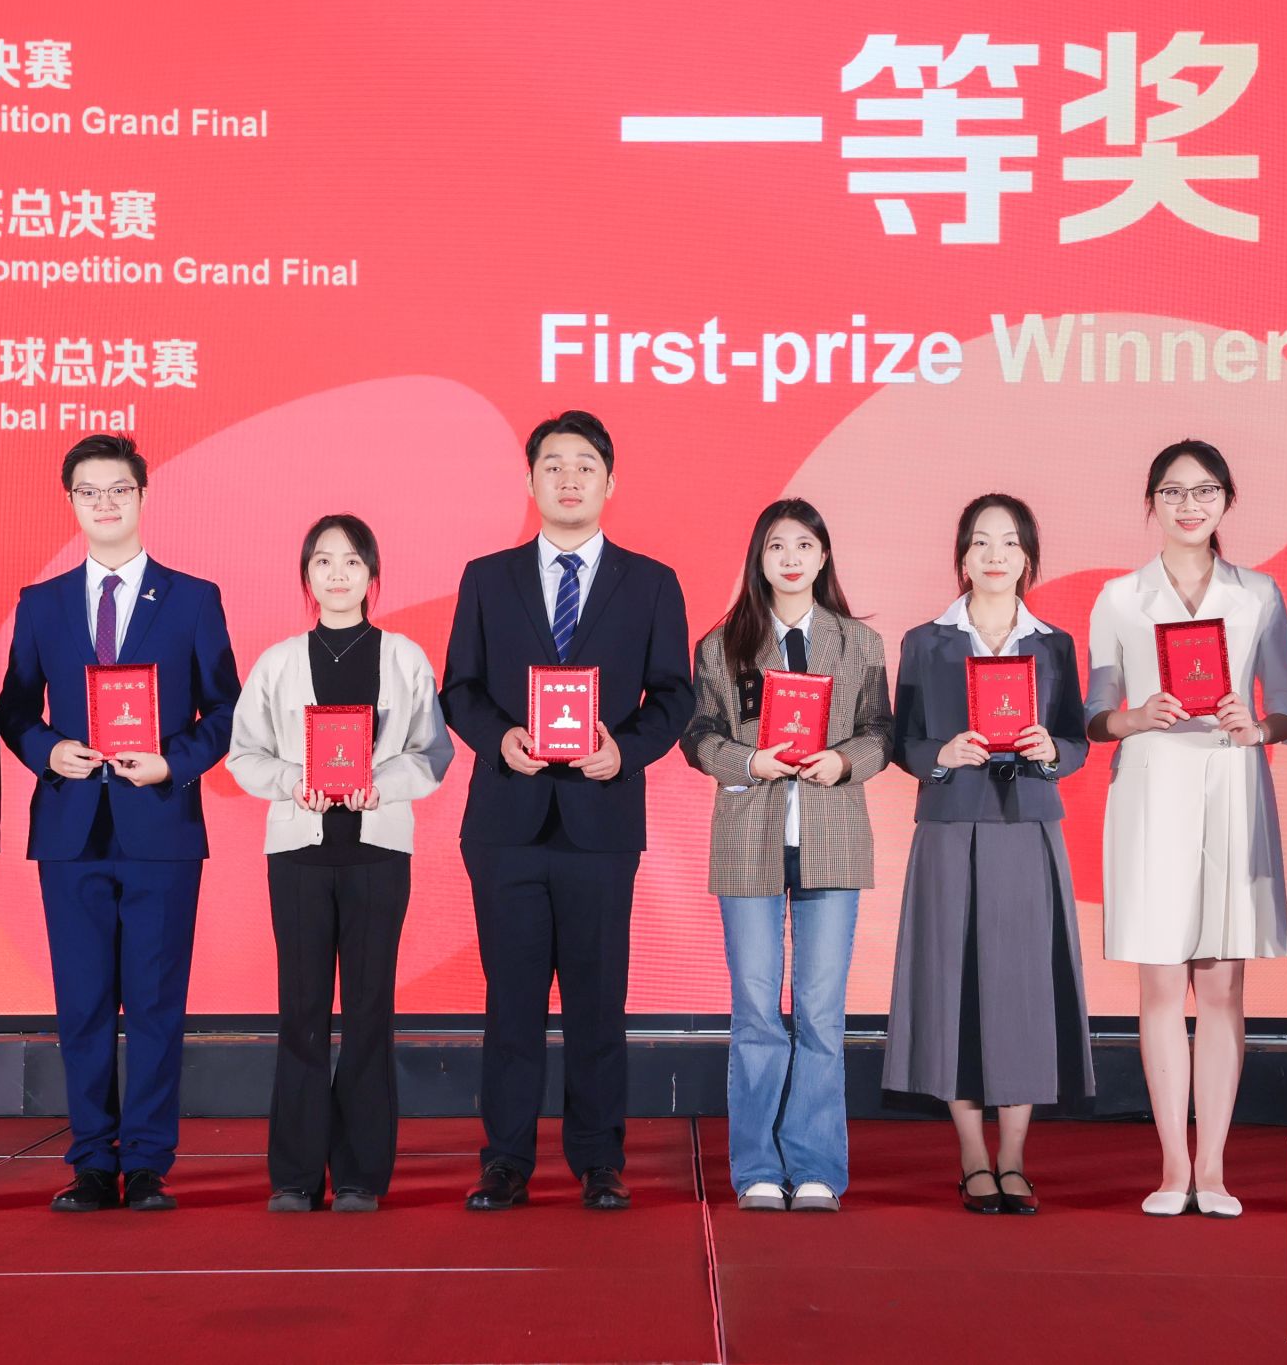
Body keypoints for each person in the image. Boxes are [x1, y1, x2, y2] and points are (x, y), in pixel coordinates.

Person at [440, 410, 694, 1211]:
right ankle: (505, 1160)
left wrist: (626, 749)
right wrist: (500, 737)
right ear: (530, 481)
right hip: (507, 823)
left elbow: (675, 695)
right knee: (511, 1003)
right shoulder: (488, 577)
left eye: (585, 465)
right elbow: (460, 688)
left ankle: (598, 1159)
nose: (569, 478)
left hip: (601, 820)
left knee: (598, 1001)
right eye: (553, 465)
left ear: (610, 482)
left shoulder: (651, 582)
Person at [0, 434, 240, 1212]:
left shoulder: (192, 597)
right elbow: (12, 708)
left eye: (119, 489)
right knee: (84, 1004)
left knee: (157, 1003)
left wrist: (176, 761)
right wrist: (47, 749)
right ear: (70, 501)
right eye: (89, 491)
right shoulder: (42, 603)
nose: (105, 503)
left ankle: (149, 1161)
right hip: (71, 830)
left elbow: (226, 707)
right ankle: (93, 1161)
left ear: (142, 495)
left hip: (161, 825)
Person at [1085, 439, 1287, 1220]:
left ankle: (1212, 1167)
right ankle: (1171, 1165)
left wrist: (1261, 725)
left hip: (1231, 784)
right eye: (1173, 491)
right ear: (1151, 502)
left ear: (1226, 500)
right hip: (1150, 789)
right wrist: (1134, 716)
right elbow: (1094, 711)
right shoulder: (1120, 597)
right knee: (1158, 984)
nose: (1189, 504)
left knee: (1220, 984)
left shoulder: (1259, 594)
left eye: (1205, 490)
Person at [227, 515, 454, 1212]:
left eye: (351, 561)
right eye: (322, 561)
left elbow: (433, 751)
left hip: (376, 852)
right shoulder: (278, 662)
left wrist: (381, 784)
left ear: (371, 574)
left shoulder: (405, 658)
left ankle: (359, 1173)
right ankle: (296, 1174)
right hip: (298, 852)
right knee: (300, 1010)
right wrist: (290, 781)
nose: (336, 574)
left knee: (368, 1008)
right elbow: (244, 753)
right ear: (306, 575)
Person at [680, 499, 892, 1213]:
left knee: (821, 1012)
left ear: (824, 555)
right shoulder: (723, 644)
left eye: (805, 544)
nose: (791, 558)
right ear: (759, 558)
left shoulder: (858, 643)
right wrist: (749, 760)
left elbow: (881, 732)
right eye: (777, 546)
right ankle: (757, 1168)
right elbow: (698, 735)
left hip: (833, 839)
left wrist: (844, 761)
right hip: (749, 839)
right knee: (756, 1010)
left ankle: (817, 1165)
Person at [884, 494, 1093, 1215]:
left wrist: (1052, 750)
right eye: (981, 541)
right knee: (954, 986)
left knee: (1022, 989)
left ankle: (1013, 1159)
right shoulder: (925, 641)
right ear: (963, 557)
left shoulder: (1054, 644)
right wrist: (939, 756)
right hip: (949, 825)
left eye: (1009, 542)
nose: (995, 554)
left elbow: (1076, 740)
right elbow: (902, 741)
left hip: (1027, 825)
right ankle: (973, 1156)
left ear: (1027, 556)